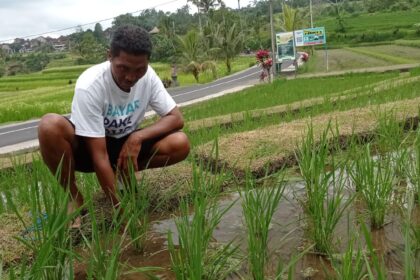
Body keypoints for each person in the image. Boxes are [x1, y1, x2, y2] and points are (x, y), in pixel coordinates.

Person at [38, 25, 190, 227]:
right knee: (49, 126)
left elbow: (176, 118)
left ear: (147, 62)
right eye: (123, 68)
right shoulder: (90, 85)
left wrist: (138, 138)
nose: (131, 77)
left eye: (139, 69)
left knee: (180, 142)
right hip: (88, 148)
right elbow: (99, 155)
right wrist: (121, 211)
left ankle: (122, 173)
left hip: (125, 143)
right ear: (109, 56)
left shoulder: (149, 76)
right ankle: (73, 196)